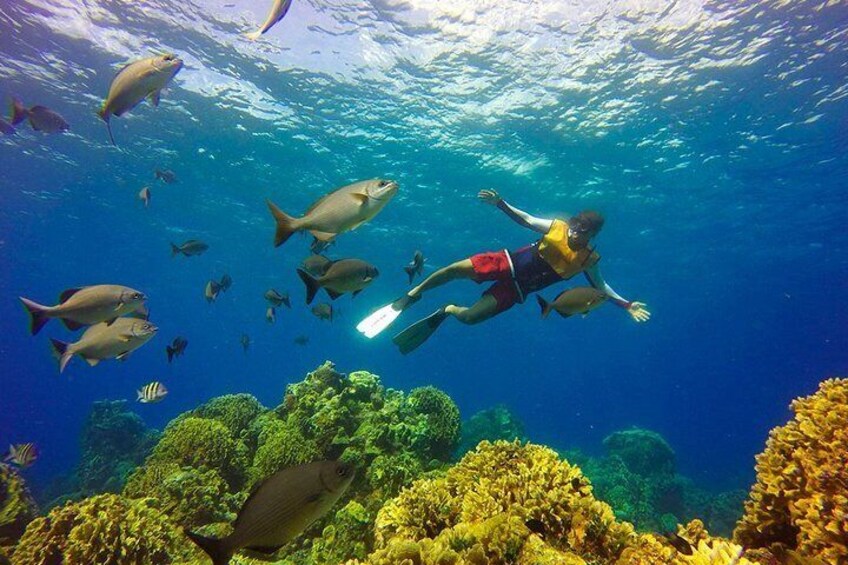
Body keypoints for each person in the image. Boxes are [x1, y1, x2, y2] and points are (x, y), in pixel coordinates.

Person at [356, 189, 651, 354]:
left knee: (470, 318)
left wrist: (626, 305)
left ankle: (447, 310)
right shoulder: (557, 227)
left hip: (518, 290)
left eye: (583, 229)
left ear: (592, 234)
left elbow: (602, 287)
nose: (575, 231)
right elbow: (525, 219)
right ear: (573, 222)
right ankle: (414, 293)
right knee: (453, 270)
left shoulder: (589, 259)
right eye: (576, 224)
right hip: (506, 261)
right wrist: (501, 204)